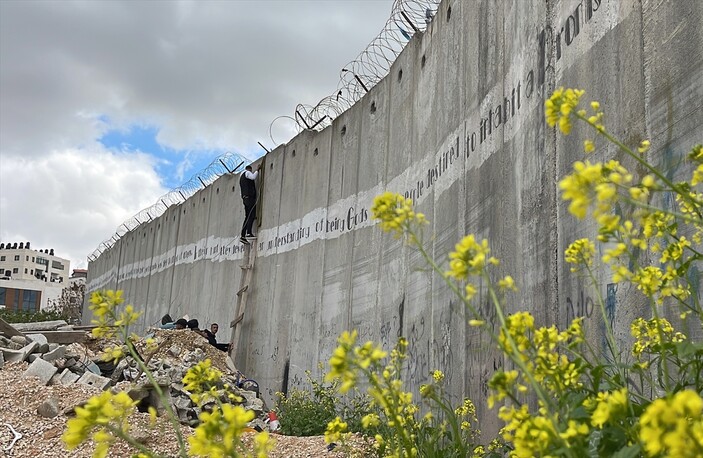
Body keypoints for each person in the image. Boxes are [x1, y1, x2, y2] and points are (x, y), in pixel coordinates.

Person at [240, 164, 260, 245]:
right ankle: (248, 232)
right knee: (251, 215)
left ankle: (243, 236)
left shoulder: (241, 177)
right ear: (249, 169)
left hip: (245, 198)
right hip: (249, 197)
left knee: (247, 216)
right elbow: (253, 177)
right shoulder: (247, 173)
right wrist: (257, 170)